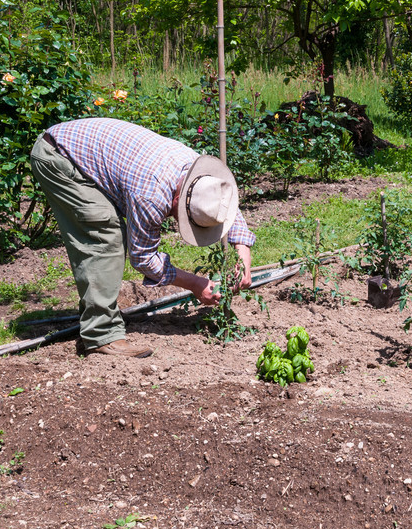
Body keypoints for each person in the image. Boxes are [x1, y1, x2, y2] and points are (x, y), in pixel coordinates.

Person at [29, 117, 255, 358]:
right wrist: (195, 284)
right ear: (177, 202)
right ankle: (100, 336)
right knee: (104, 234)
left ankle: (97, 316)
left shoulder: (198, 172)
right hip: (59, 156)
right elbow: (143, 258)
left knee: (106, 226)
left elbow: (224, 202)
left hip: (79, 146)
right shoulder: (151, 196)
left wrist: (244, 260)